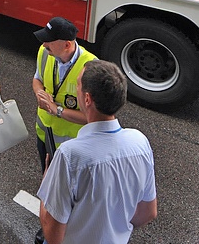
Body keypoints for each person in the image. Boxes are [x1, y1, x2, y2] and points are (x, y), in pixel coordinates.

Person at [37, 60, 157, 244]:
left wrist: (47, 185)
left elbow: (53, 234)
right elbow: (148, 213)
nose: (76, 87)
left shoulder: (70, 155)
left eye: (77, 84)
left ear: (87, 99)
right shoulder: (140, 142)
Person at [32, 17, 97, 173]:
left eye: (49, 41)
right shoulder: (45, 52)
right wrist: (40, 93)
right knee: (47, 176)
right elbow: (37, 79)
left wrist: (57, 110)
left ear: (67, 45)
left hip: (72, 147)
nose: (44, 44)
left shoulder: (91, 67)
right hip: (44, 136)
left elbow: (92, 117)